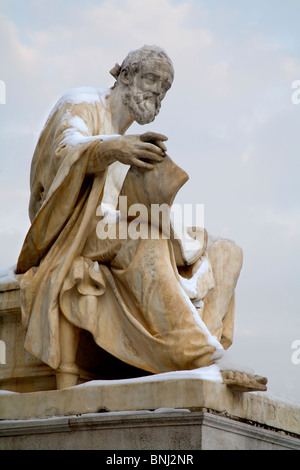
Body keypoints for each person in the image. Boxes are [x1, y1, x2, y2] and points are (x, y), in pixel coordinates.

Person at [16, 45, 263, 392]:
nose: (157, 92)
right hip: (71, 228)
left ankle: (205, 349)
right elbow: (65, 151)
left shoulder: (131, 137)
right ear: (125, 76)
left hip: (115, 224)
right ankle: (196, 355)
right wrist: (114, 147)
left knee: (226, 252)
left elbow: (126, 203)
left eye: (165, 88)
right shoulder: (80, 103)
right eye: (151, 79)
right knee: (148, 237)